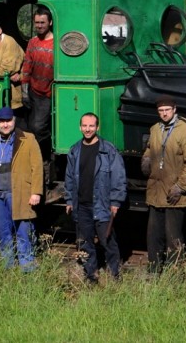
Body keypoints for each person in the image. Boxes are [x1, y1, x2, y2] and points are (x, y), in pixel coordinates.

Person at [0, 106, 43, 271]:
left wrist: (36, 192)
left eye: (8, 121)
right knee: (2, 232)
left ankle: (28, 267)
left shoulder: (28, 139)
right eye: (2, 121)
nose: (5, 125)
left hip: (19, 193)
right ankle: (8, 267)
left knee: (23, 231)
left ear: (14, 120)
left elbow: (37, 167)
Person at [64, 112, 127, 284]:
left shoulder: (108, 150)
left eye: (91, 126)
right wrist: (69, 199)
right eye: (84, 126)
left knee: (107, 241)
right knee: (85, 242)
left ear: (97, 127)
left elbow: (119, 177)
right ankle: (91, 275)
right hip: (81, 205)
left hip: (102, 204)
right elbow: (69, 177)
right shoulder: (75, 150)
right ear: (80, 127)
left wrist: (116, 201)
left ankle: (114, 275)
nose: (88, 129)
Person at [141, 96, 186, 272]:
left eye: (167, 110)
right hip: (156, 191)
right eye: (161, 110)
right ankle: (154, 271)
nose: (164, 113)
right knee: (153, 235)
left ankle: (174, 275)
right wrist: (145, 157)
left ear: (174, 109)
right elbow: (151, 148)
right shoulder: (155, 129)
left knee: (173, 235)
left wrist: (181, 187)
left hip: (174, 194)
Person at [20, 7, 54, 146]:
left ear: (50, 23)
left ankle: (45, 153)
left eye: (42, 22)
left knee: (38, 128)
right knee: (29, 127)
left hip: (48, 93)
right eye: (37, 22)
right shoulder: (32, 42)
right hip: (33, 90)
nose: (39, 26)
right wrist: (24, 92)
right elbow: (27, 68)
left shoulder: (56, 43)